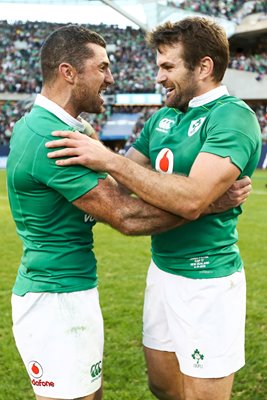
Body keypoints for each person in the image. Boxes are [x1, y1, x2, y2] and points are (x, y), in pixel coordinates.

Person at [46, 17, 262, 400]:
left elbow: (189, 197)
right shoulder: (162, 117)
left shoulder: (232, 117)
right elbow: (120, 189)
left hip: (206, 280)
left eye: (168, 67)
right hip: (161, 270)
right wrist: (110, 162)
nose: (159, 77)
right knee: (162, 385)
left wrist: (109, 160)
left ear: (204, 67)